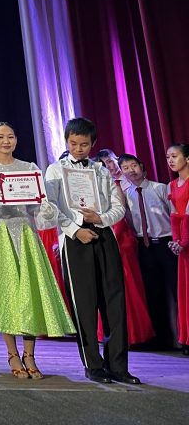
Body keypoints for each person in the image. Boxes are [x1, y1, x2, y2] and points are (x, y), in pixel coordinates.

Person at [0, 122, 74, 379]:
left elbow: (39, 208)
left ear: (16, 139)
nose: (6, 141)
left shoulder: (29, 168)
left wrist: (45, 208)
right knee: (6, 293)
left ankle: (29, 354)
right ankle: (12, 354)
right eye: (0, 137)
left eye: (10, 136)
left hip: (26, 233)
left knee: (30, 292)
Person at [44, 117, 139, 384]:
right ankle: (93, 365)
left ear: (92, 143)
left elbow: (118, 206)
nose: (78, 149)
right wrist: (76, 229)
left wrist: (101, 219)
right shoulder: (55, 170)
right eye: (73, 143)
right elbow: (50, 207)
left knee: (114, 303)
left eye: (84, 144)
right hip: (74, 239)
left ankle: (118, 366)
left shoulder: (101, 170)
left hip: (104, 234)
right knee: (84, 304)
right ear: (66, 141)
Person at [96, 148, 154, 346]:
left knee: (130, 287)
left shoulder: (120, 184)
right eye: (103, 165)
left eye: (110, 162)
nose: (108, 167)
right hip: (107, 236)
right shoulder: (97, 187)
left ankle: (135, 333)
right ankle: (116, 334)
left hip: (123, 238)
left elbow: (122, 215)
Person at [120, 153, 178, 349]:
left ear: (142, 166)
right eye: (126, 168)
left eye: (133, 165)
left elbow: (174, 215)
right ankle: (162, 340)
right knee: (153, 294)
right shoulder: (126, 196)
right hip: (145, 247)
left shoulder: (160, 188)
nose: (131, 170)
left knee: (177, 291)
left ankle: (183, 339)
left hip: (167, 244)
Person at [167, 143, 189, 354]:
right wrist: (176, 241)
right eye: (168, 157)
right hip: (182, 246)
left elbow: (188, 216)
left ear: (187, 158)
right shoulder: (172, 185)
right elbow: (174, 217)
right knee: (185, 292)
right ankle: (186, 338)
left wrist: (183, 242)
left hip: (187, 242)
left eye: (174, 156)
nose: (171, 160)